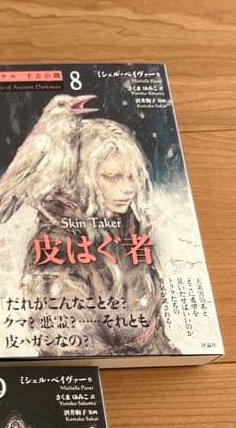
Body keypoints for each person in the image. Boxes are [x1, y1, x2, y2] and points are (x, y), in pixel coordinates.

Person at [21, 118, 178, 357]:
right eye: (112, 177)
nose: (129, 188)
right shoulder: (55, 244)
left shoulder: (130, 229)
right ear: (81, 178)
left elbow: (152, 327)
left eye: (132, 176)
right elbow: (71, 346)